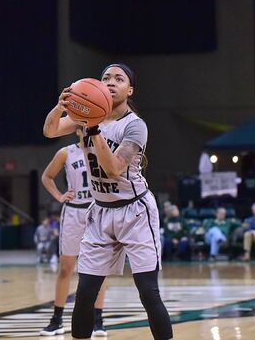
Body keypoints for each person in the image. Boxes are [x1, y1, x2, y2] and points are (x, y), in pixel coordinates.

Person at [42, 63, 173, 340]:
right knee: (85, 292)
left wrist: (93, 130)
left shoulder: (135, 126)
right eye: (106, 78)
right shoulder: (85, 117)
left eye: (119, 78)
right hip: (100, 211)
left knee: (148, 291)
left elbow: (113, 168)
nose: (111, 82)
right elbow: (50, 131)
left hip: (135, 211)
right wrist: (60, 107)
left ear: (130, 89)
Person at [38, 134, 108, 336]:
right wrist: (59, 195)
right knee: (66, 267)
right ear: (77, 131)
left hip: (97, 211)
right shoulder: (66, 152)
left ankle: (98, 321)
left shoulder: (102, 149)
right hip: (73, 211)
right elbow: (46, 176)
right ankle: (57, 320)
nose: (87, 130)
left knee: (99, 268)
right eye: (83, 127)